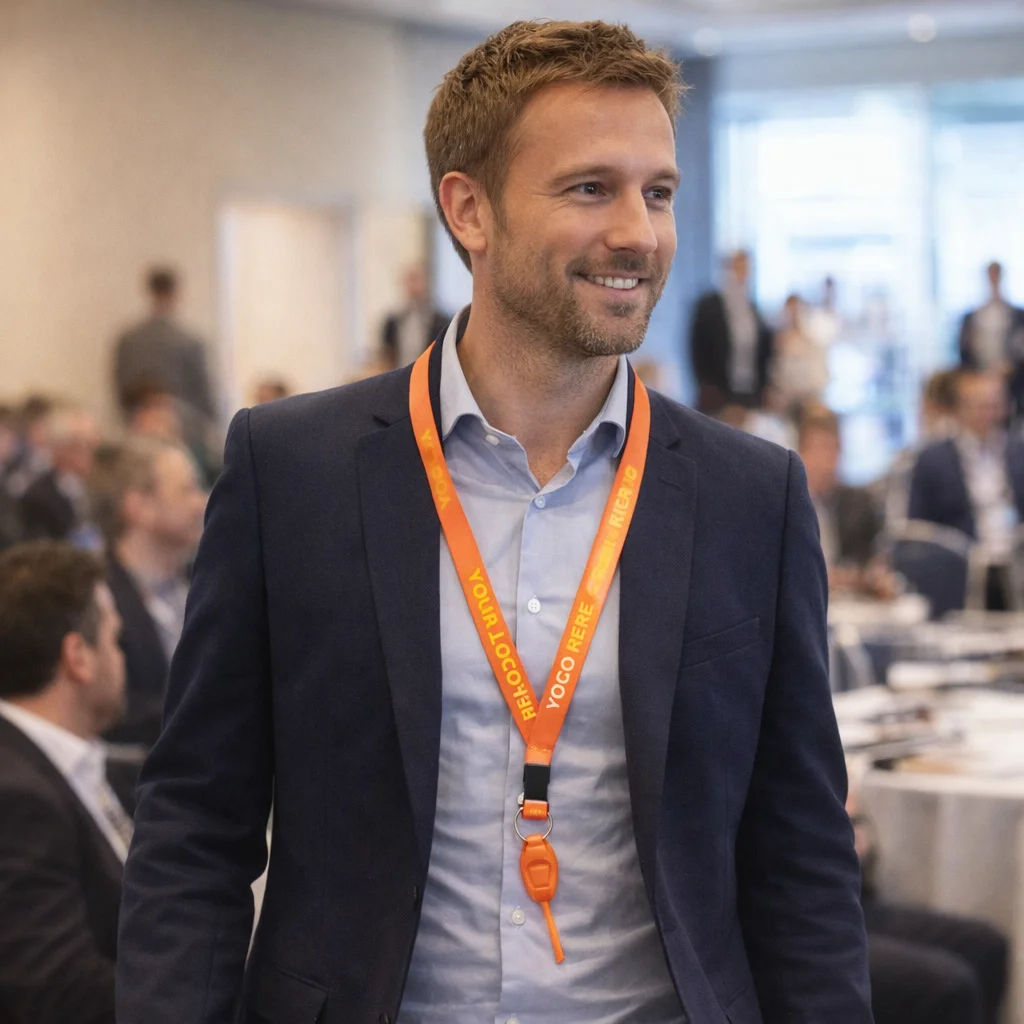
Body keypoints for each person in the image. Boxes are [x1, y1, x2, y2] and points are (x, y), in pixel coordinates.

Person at [117, 20, 870, 1024]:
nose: (638, 233)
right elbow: (195, 823)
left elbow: (800, 854)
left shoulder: (750, 496)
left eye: (658, 192)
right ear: (468, 209)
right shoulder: (293, 471)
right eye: (589, 188)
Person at [0, 540, 129, 1024]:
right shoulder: (15, 796)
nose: (121, 658)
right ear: (78, 656)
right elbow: (59, 994)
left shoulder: (56, 763)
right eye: (114, 640)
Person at [89, 438, 206, 750]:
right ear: (138, 507)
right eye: (187, 490)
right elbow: (118, 716)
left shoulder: (207, 579)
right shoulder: (98, 602)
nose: (202, 503)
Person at [908, 368, 1024, 608]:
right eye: (979, 405)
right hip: (961, 569)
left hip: (1015, 561)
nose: (987, 413)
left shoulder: (1018, 453)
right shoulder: (933, 459)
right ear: (960, 407)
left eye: (993, 404)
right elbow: (917, 529)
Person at [114, 267, 217, 448]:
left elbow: (120, 389)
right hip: (181, 435)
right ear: (175, 294)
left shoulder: (128, 340)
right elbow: (203, 396)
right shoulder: (189, 341)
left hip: (137, 434)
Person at [798, 403, 893, 598]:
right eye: (817, 448)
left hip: (852, 606)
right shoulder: (789, 506)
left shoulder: (860, 503)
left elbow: (876, 566)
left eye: (831, 449)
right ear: (801, 451)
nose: (824, 459)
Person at [688, 249, 774, 415]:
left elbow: (763, 351)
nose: (741, 274)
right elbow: (697, 346)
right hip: (718, 391)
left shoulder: (753, 309)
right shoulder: (710, 306)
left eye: (745, 269)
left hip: (749, 389)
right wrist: (704, 383)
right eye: (737, 268)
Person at [19, 406, 101, 544]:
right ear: (62, 449)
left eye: (95, 444)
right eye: (85, 445)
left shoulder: (105, 486)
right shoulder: (38, 497)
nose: (92, 453)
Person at [959, 261, 1024, 413]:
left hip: (1012, 381)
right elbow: (964, 350)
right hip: (978, 379)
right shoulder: (971, 317)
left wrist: (1006, 369)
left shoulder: (1018, 315)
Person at [380, 265, 452, 369]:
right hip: (399, 376)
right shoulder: (393, 321)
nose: (413, 286)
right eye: (410, 280)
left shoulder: (441, 322)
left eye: (417, 280)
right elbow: (386, 356)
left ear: (426, 282)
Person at [771, 292, 829, 409]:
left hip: (809, 399)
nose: (792, 316)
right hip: (785, 401)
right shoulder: (779, 340)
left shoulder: (813, 342)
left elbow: (820, 376)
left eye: (796, 311)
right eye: (789, 312)